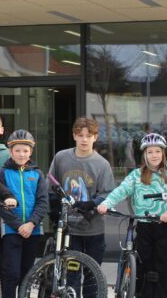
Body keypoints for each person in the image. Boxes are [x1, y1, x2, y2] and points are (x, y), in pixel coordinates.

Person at [97, 133, 167, 298]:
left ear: (163, 154)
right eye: (150, 152)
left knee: (164, 263)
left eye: (157, 151)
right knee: (144, 263)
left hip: (163, 225)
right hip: (143, 225)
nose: (154, 155)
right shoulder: (136, 175)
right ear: (144, 155)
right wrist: (106, 203)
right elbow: (121, 191)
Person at [48, 117, 114, 298]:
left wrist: (93, 203)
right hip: (70, 229)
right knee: (72, 273)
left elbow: (108, 193)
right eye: (80, 135)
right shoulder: (61, 157)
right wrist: (54, 210)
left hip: (93, 228)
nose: (84, 139)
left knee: (92, 274)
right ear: (74, 136)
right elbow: (51, 186)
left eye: (88, 135)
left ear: (95, 137)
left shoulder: (102, 164)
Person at [0, 129, 49, 298]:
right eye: (17, 150)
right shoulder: (3, 173)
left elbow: (43, 202)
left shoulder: (37, 174)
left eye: (25, 151)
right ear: (10, 151)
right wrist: (19, 225)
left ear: (31, 152)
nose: (21, 154)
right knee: (11, 274)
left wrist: (31, 223)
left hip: (33, 231)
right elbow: (0, 203)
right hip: (12, 231)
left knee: (27, 275)